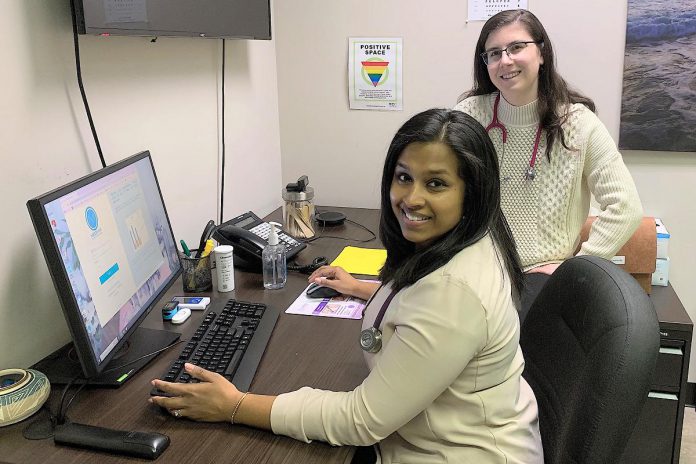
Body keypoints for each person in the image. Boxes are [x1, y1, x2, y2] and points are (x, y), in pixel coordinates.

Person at [150, 109, 543, 464]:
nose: (411, 198)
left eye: (436, 183)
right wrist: (364, 289)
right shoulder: (469, 241)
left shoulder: (455, 293)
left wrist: (234, 405)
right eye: (404, 177)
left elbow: (360, 420)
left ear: (472, 191)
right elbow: (428, 311)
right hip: (442, 432)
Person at [454, 9, 642, 319]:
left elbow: (626, 208)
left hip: (540, 282)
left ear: (541, 52)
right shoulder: (468, 115)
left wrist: (574, 267)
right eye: (494, 53)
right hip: (473, 269)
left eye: (516, 47)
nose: (506, 60)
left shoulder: (580, 125)